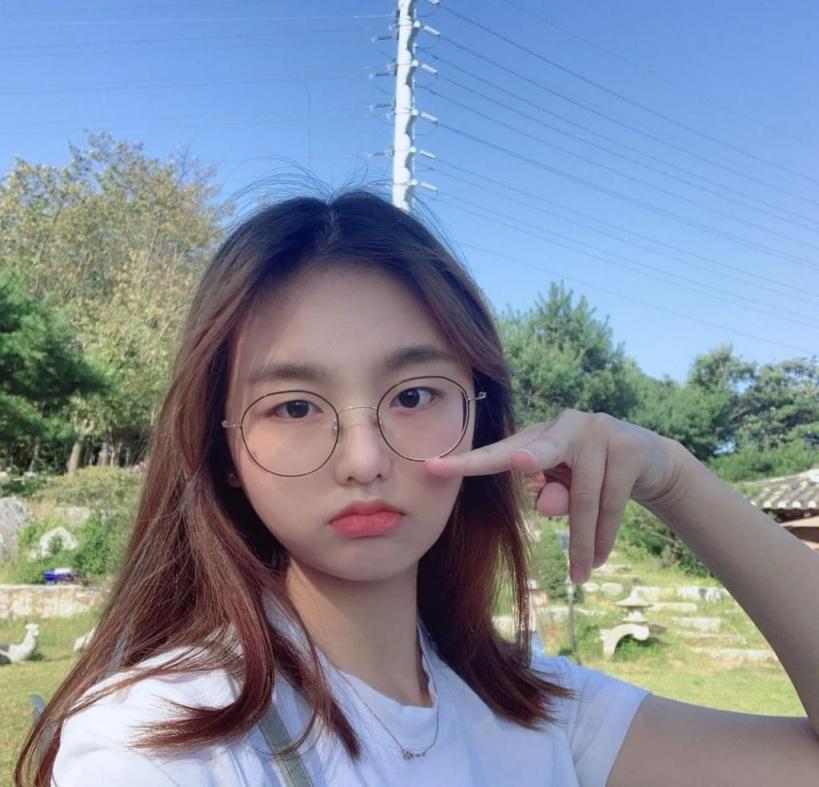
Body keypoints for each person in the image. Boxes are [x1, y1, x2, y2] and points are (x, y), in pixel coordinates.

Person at [16, 191, 819, 786]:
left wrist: (672, 476)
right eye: (294, 406)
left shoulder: (538, 711)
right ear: (223, 445)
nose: (363, 459)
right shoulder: (157, 743)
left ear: (479, 420)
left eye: (412, 395)